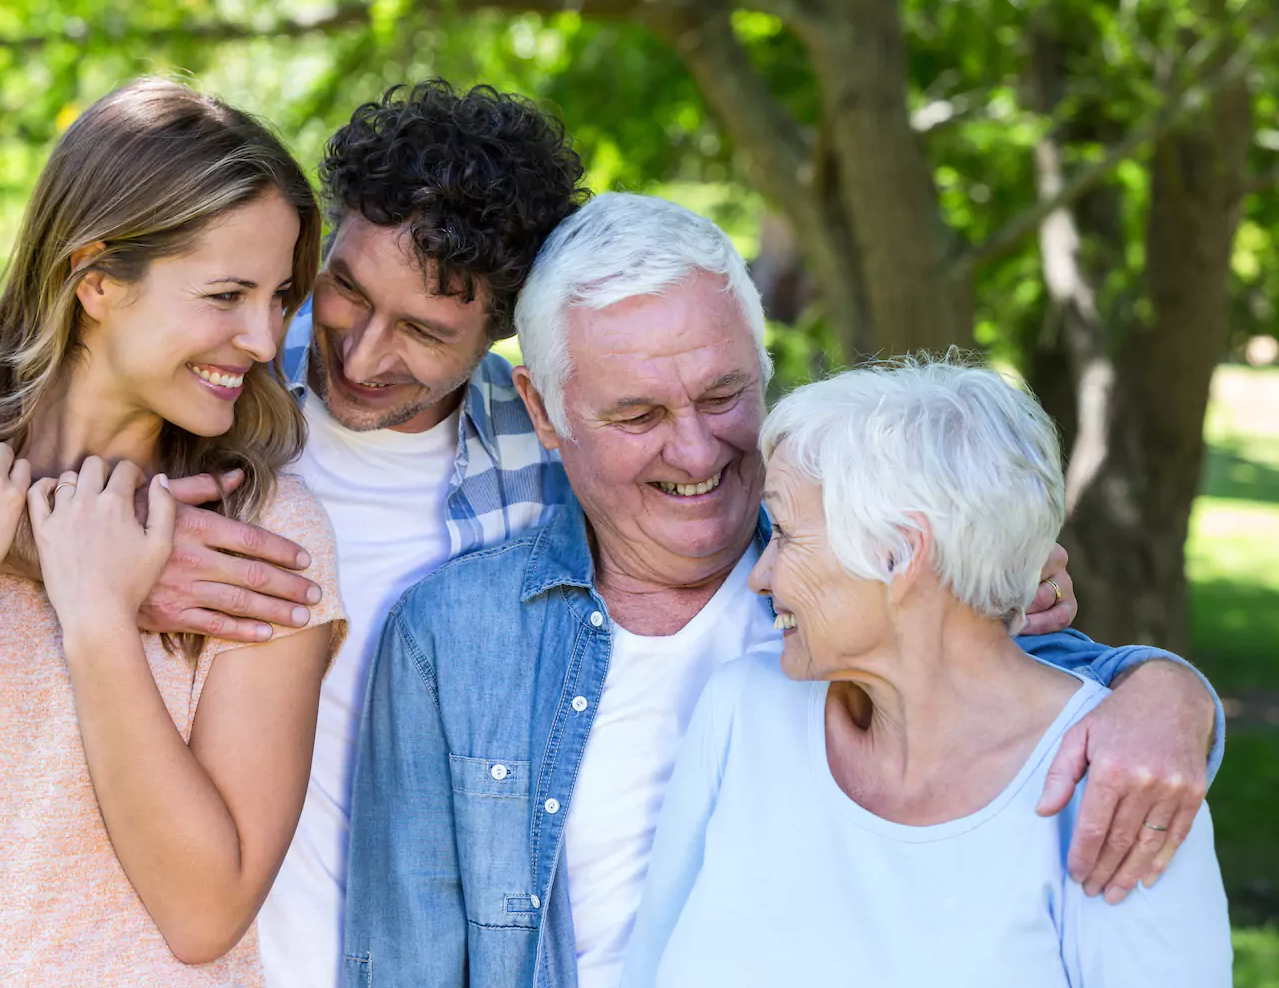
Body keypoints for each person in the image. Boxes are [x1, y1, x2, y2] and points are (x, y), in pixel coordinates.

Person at [0, 81, 587, 988]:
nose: (283, 341)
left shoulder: (284, 523)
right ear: (95, 281)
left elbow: (205, 912)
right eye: (336, 293)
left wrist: (96, 611)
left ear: (500, 337)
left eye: (277, 295)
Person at [341, 193, 1225, 988]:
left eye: (725, 395)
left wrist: (1169, 693)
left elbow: (1038, 692)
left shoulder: (875, 566)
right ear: (544, 411)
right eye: (638, 415)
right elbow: (406, 967)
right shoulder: (452, 640)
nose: (696, 452)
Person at [620, 356, 1232, 987]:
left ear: (899, 553)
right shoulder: (744, 709)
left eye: (789, 534)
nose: (761, 575)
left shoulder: (1121, 785)